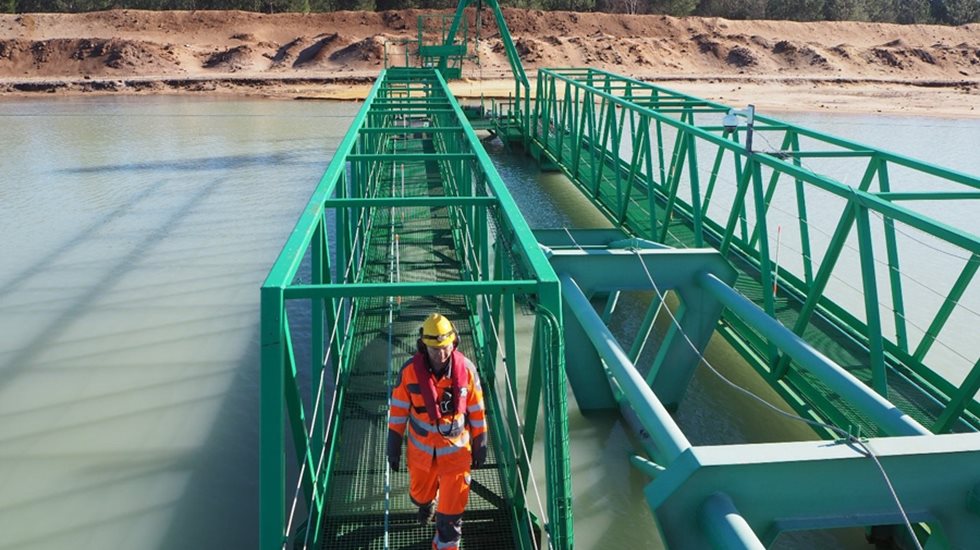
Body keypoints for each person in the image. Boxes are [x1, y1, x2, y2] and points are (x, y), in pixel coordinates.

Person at [387, 313, 488, 550]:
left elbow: (476, 410)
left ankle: (445, 544)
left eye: (445, 347)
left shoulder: (467, 371)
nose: (441, 354)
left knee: (451, 516)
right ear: (424, 347)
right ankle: (425, 505)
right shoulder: (409, 372)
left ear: (454, 343)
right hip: (422, 455)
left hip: (456, 455)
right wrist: (393, 446)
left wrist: (480, 442)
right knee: (420, 495)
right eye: (434, 349)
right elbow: (399, 411)